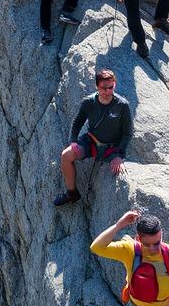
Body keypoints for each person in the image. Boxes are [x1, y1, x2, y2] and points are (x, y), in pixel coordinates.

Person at [54, 69, 132, 207]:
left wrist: (120, 155)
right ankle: (72, 193)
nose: (108, 91)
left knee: (121, 177)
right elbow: (77, 123)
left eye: (111, 87)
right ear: (97, 86)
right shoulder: (89, 102)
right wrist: (73, 142)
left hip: (111, 148)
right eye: (104, 88)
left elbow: (127, 133)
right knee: (66, 155)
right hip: (91, 142)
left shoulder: (122, 105)